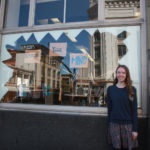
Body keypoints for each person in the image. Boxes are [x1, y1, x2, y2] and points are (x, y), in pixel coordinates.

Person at [107, 65, 138, 150]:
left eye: (123, 73)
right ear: (116, 74)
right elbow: (109, 109)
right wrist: (109, 126)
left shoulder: (132, 90)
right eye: (119, 72)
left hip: (128, 125)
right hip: (114, 124)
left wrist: (135, 129)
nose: (121, 74)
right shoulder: (110, 89)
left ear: (127, 75)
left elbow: (134, 111)